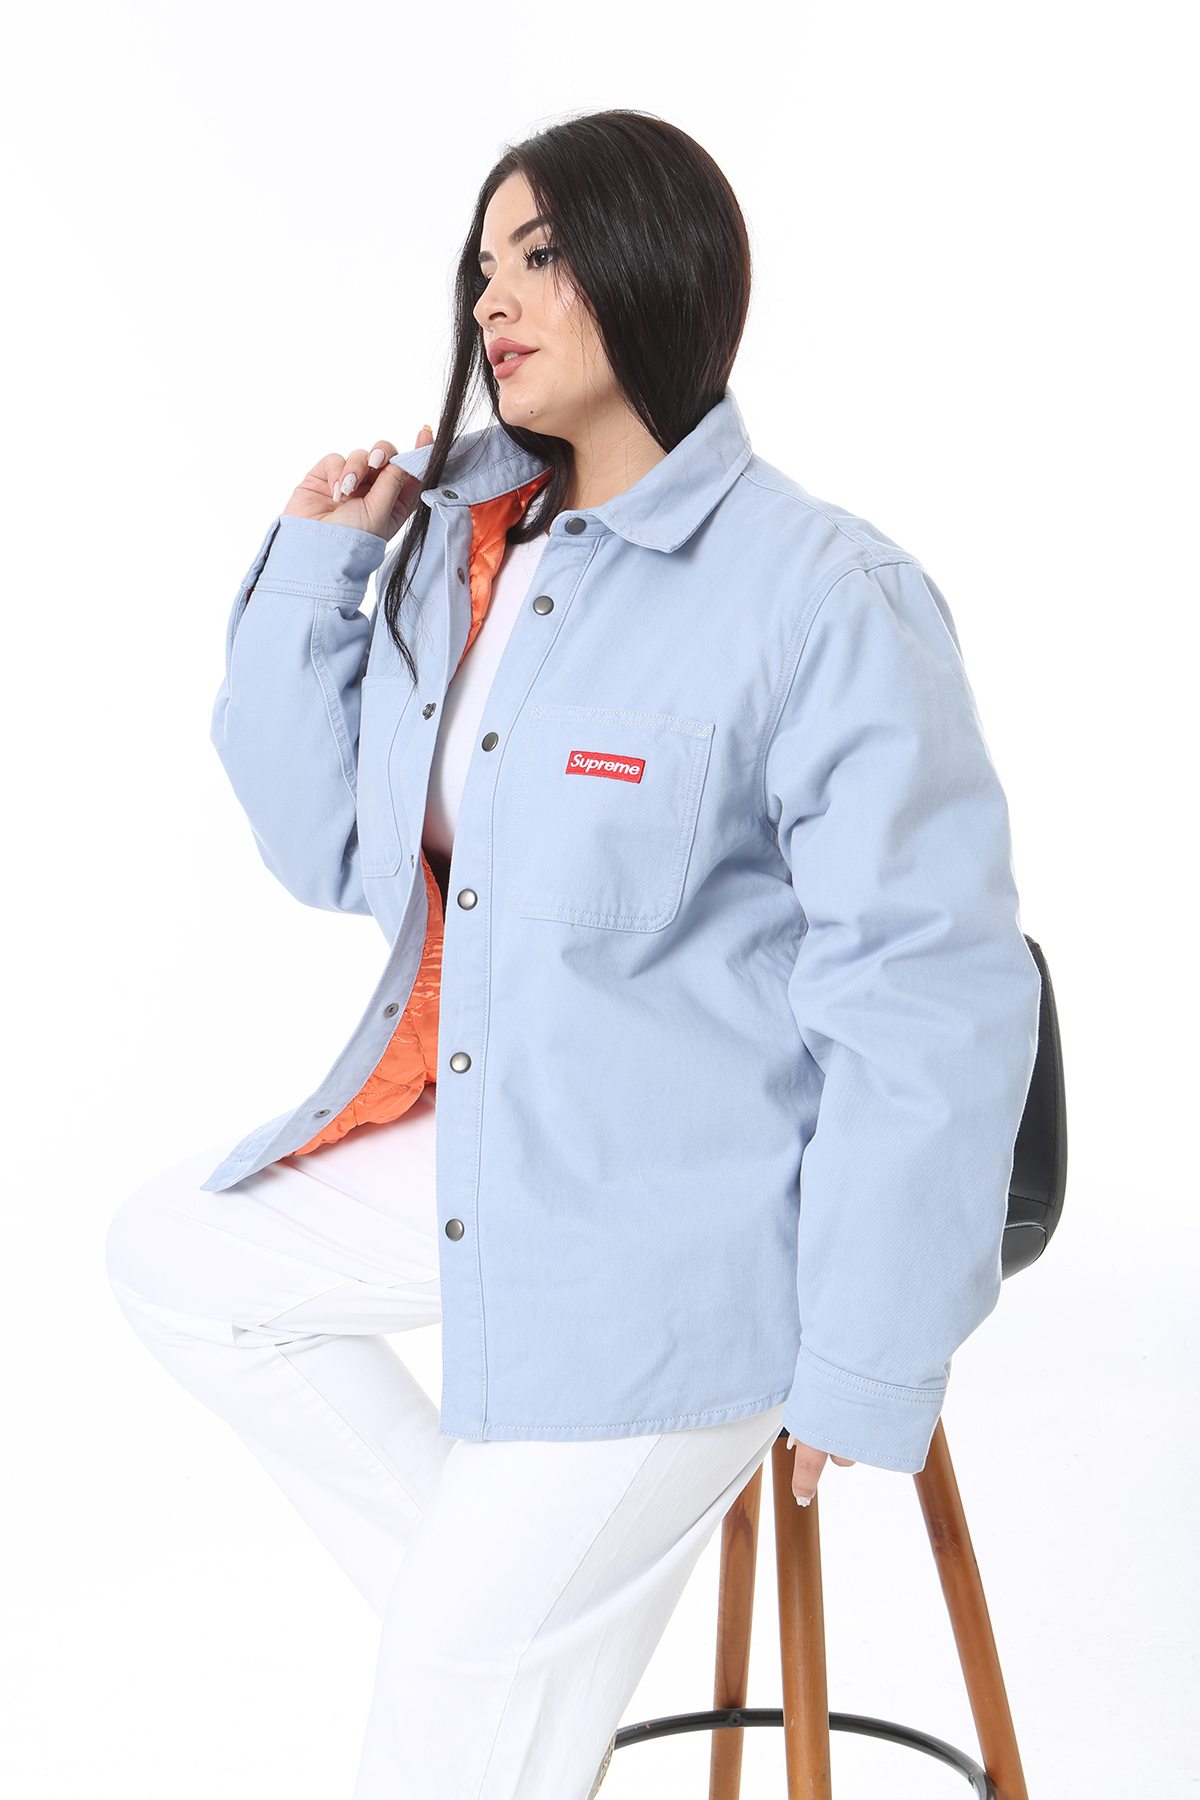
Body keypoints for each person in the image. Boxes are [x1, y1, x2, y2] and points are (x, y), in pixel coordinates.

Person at [105, 109, 1041, 1800]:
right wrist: (323, 565)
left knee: (438, 1732)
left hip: (696, 1235)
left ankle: (495, 1667)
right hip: (512, 1150)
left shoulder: (823, 593)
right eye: (483, 266)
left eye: (540, 257)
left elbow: (927, 993)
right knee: (182, 1254)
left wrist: (868, 1351)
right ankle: (504, 1648)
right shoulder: (471, 560)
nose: (494, 301)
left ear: (657, 266)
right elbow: (329, 847)